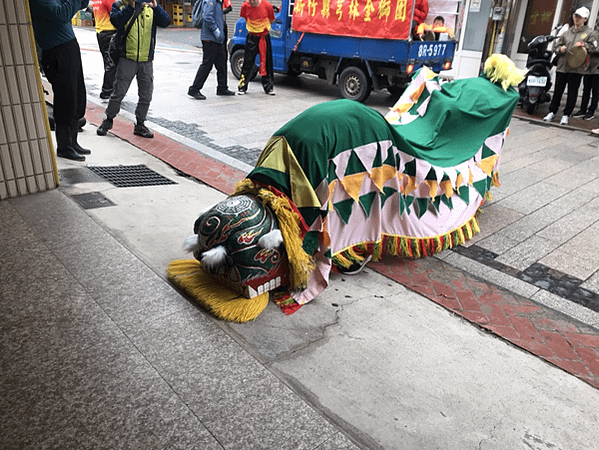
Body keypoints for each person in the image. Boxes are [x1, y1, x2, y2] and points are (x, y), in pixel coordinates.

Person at [96, 0, 170, 138]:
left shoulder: (150, 7)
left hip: (146, 60)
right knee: (119, 92)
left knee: (146, 94)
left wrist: (157, 7)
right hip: (127, 58)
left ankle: (140, 124)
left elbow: (166, 22)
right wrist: (130, 7)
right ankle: (108, 119)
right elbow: (116, 21)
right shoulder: (119, 5)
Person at [29, 0, 91, 162]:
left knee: (78, 96)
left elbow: (81, 4)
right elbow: (62, 15)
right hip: (56, 51)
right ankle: (64, 146)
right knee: (66, 99)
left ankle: (73, 142)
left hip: (69, 46)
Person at [543, 7, 593, 126]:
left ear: (585, 19)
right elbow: (556, 47)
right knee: (558, 91)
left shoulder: (589, 33)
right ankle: (552, 111)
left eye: (580, 17)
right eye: (576, 16)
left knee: (572, 92)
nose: (577, 19)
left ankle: (566, 114)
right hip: (562, 66)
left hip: (577, 68)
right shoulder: (566, 32)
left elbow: (594, 47)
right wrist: (560, 49)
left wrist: (584, 44)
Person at [187, 0, 236, 100]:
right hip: (210, 38)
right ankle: (194, 89)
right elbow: (207, 16)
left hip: (217, 39)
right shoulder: (211, 0)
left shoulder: (218, 1)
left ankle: (222, 88)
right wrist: (216, 31)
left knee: (222, 63)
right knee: (207, 64)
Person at [237, 0, 276, 95]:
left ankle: (269, 87)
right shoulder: (245, 6)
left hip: (264, 36)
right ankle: (242, 86)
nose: (252, 2)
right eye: (250, 0)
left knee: (267, 62)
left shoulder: (267, 5)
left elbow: (272, 19)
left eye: (254, 0)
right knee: (247, 62)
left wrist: (262, 27)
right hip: (251, 36)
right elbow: (245, 18)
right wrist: (254, 27)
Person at [91, 0, 118, 100]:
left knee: (107, 62)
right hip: (110, 32)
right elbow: (115, 14)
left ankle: (110, 89)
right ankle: (107, 91)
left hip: (101, 32)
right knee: (111, 63)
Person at [573, 24, 599, 121]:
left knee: (595, 92)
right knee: (586, 90)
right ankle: (582, 109)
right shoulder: (592, 33)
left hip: (597, 69)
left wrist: (586, 45)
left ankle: (591, 111)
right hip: (588, 67)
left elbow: (595, 48)